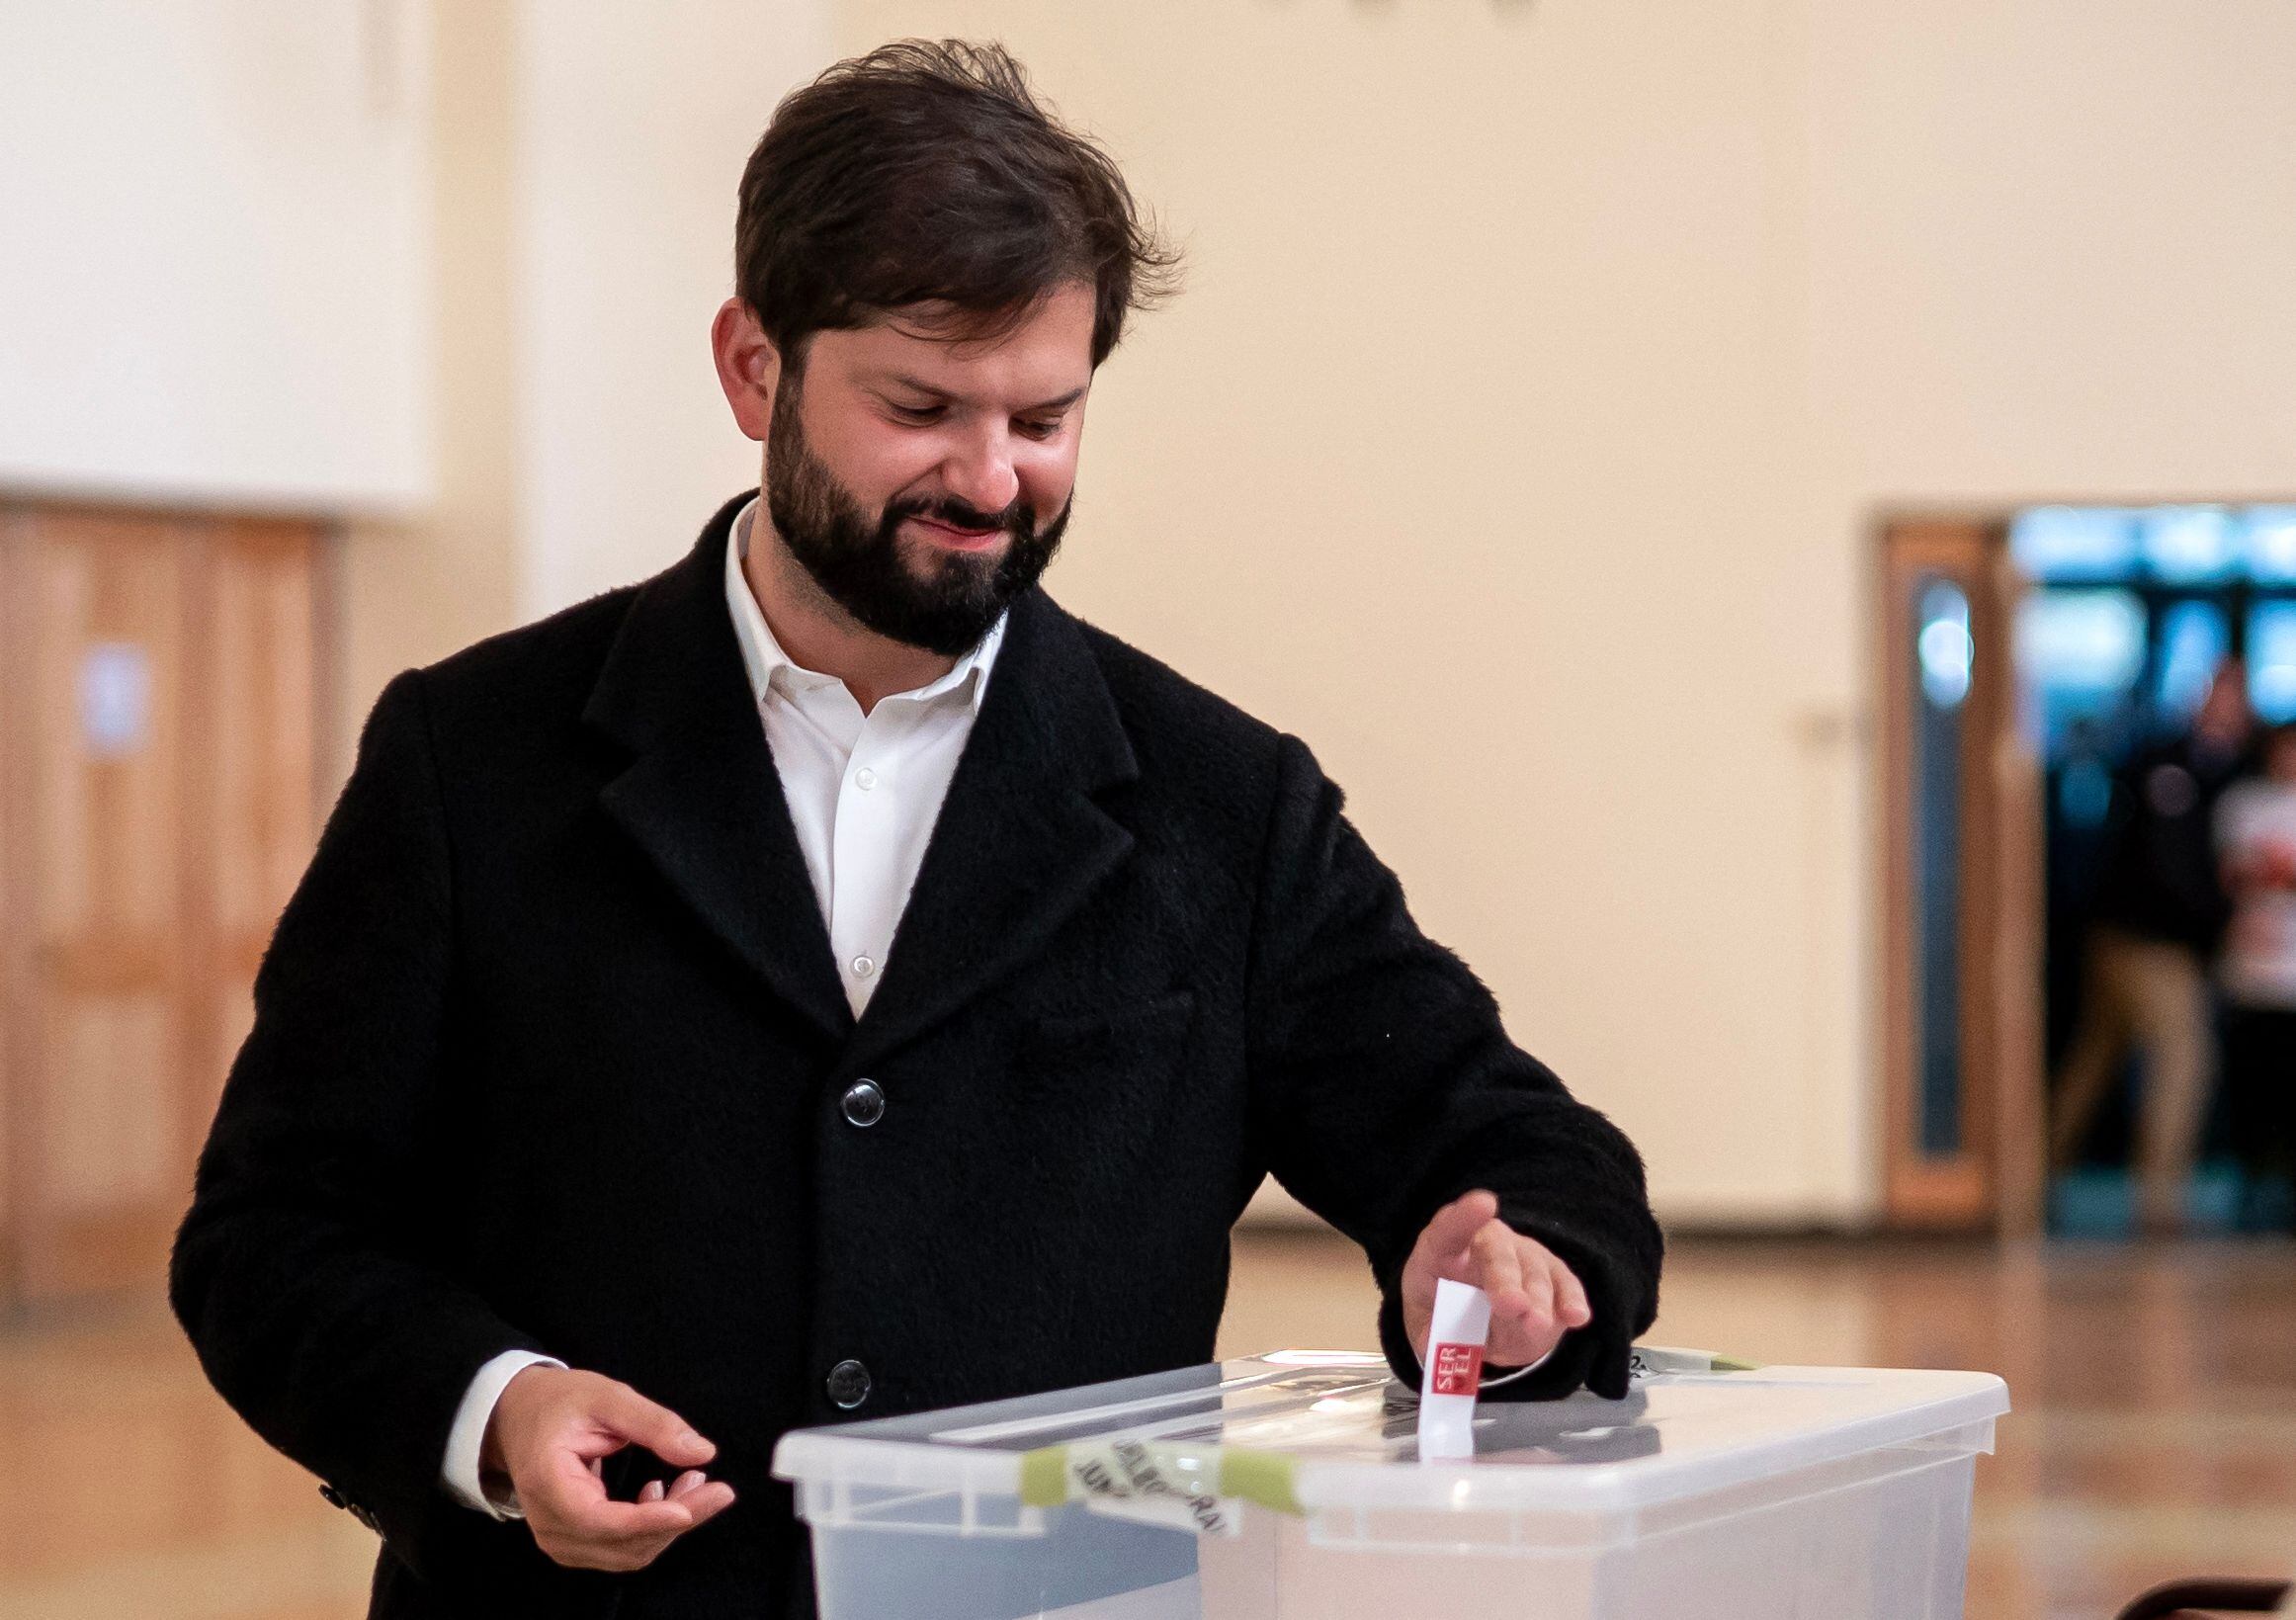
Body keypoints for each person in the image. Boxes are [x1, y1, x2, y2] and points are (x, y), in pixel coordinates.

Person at [170, 41, 1662, 1620]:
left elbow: (1523, 1154)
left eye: (1045, 417)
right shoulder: (467, 759)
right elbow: (274, 1232)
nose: (989, 475)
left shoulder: (1223, 802)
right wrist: (494, 1406)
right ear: (754, 366)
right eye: (921, 406)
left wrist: (1520, 1273)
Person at [2049, 661, 2252, 1233]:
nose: (2229, 710)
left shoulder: (2230, 773)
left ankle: (2029, 1180)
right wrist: (2220, 917)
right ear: (2203, 699)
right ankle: (2160, 1204)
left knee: (2094, 1060)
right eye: (2221, 696)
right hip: (2141, 939)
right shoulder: (2168, 763)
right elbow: (2170, 865)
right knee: (2185, 1056)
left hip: (2160, 941)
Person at [2216, 722, 2296, 1229]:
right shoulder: (2241, 804)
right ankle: (2255, 1186)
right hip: (2253, 970)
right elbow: (2229, 874)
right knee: (2254, 1090)